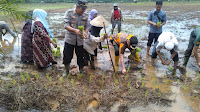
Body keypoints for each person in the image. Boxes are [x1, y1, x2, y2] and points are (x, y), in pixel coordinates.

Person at [63, 0, 88, 76]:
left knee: (81, 56)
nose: (83, 11)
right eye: (82, 9)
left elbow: (87, 26)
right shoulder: (69, 13)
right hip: (70, 39)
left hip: (80, 40)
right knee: (67, 55)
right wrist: (74, 30)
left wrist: (86, 33)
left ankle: (81, 70)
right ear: (77, 7)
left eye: (85, 9)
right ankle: (66, 70)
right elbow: (66, 25)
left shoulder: (85, 15)